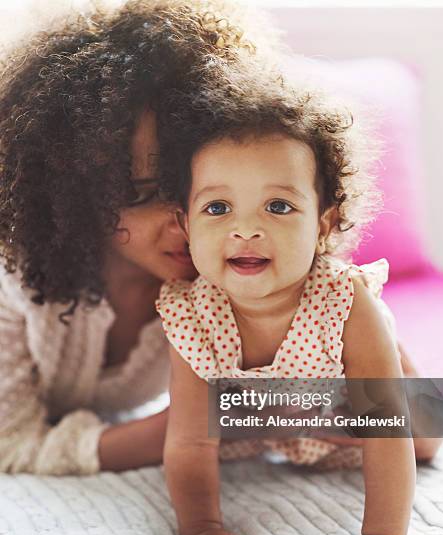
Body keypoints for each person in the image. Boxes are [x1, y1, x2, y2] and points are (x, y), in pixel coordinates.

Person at [154, 73, 443, 535]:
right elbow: (189, 442)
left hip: (356, 411)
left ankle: (392, 359)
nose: (246, 228)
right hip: (270, 418)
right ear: (185, 225)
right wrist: (200, 525)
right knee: (225, 418)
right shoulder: (192, 315)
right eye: (217, 208)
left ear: (324, 225)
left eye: (279, 206)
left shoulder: (344, 303)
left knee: (427, 434)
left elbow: (386, 436)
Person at [0, 0, 276, 475]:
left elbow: (428, 416)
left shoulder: (244, 259)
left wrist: (317, 403)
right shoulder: (17, 277)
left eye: (210, 197)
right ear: (75, 188)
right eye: (142, 192)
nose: (187, 222)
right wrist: (204, 422)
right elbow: (11, 444)